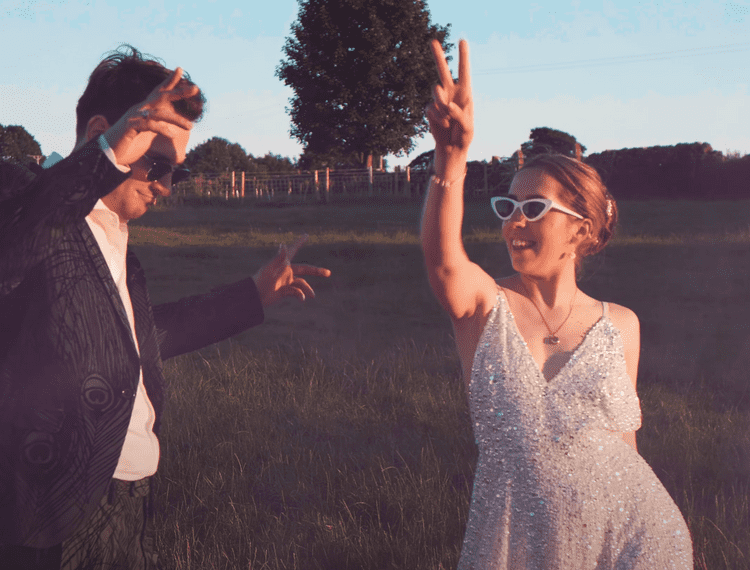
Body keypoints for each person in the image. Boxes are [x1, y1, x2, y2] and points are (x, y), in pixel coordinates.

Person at [0, 46, 330, 569]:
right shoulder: (21, 194)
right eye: (156, 164)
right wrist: (102, 163)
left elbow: (136, 340)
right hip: (50, 512)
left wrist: (251, 296)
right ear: (102, 133)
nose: (166, 186)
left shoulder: (116, 234)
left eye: (178, 171)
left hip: (128, 497)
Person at [421, 39, 693, 568]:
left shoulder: (621, 325)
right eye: (508, 207)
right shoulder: (485, 305)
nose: (513, 222)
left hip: (632, 540)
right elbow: (444, 262)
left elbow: (626, 448)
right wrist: (450, 158)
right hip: (515, 544)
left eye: (533, 207)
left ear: (581, 230)